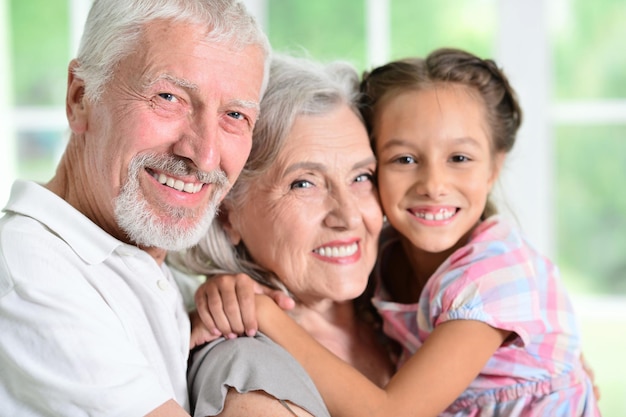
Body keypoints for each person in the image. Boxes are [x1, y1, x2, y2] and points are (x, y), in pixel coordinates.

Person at [249, 48, 601, 416]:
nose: (433, 184)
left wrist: (265, 315)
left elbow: (392, 413)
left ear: (493, 168)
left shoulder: (493, 277)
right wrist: (235, 286)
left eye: (459, 159)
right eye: (404, 159)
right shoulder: (378, 253)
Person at [0, 0, 269, 416]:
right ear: (80, 97)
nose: (205, 155)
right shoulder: (24, 271)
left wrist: (212, 317)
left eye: (234, 115)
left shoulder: (164, 272)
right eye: (169, 97)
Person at [171, 53, 395, 416]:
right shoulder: (249, 373)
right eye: (303, 183)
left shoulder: (402, 315)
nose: (348, 216)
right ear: (228, 214)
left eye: (361, 177)